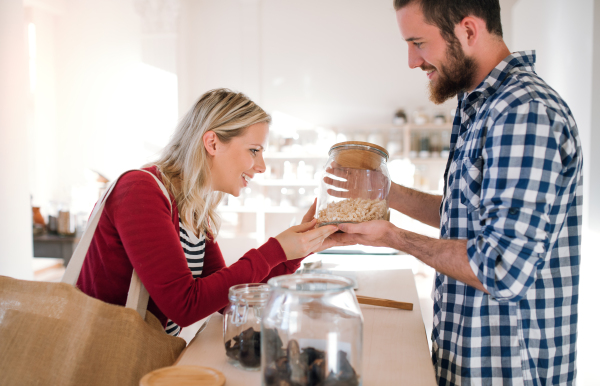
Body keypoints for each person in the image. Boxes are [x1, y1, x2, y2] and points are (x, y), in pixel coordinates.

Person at [327, 0, 582, 384]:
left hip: (507, 369)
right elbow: (467, 215)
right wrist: (386, 192)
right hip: (468, 357)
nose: (412, 61)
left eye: (419, 43)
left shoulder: (523, 113)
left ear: (468, 30)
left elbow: (502, 266)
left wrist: (394, 237)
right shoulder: (481, 104)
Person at [78, 88, 338, 336]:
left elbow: (231, 299)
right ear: (212, 143)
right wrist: (276, 250)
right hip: (103, 358)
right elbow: (184, 306)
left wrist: (300, 249)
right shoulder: (140, 190)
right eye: (254, 151)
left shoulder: (193, 208)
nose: (261, 166)